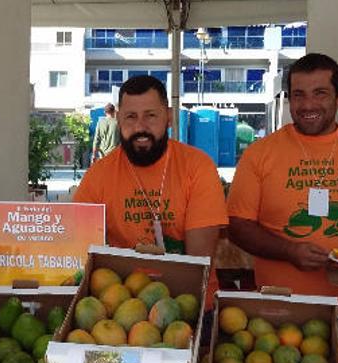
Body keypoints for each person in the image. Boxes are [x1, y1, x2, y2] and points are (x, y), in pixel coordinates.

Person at [227, 53, 338, 310]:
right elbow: (236, 225)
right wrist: (289, 251)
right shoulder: (259, 153)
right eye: (299, 95)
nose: (308, 105)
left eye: (320, 93)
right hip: (277, 307)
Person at [73, 75, 228, 308]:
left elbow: (198, 263)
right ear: (118, 119)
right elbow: (79, 252)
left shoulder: (197, 167)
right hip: (118, 309)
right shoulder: (99, 175)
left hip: (191, 304)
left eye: (151, 116)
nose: (140, 127)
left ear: (168, 116)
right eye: (131, 117)